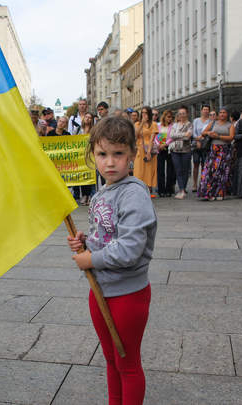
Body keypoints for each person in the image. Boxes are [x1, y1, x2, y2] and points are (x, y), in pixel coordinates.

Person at [68, 116, 156, 405]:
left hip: (127, 295)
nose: (110, 162)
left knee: (127, 364)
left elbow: (130, 249)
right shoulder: (101, 193)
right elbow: (104, 235)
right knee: (110, 360)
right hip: (99, 290)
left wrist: (91, 258)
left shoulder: (133, 193)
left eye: (118, 154)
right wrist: (85, 242)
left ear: (131, 153)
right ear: (93, 155)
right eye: (102, 154)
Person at [198, 107, 235, 201]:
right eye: (221, 112)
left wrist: (218, 136)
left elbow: (231, 137)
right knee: (209, 171)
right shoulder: (213, 123)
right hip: (213, 149)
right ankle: (208, 192)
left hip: (224, 150)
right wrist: (209, 133)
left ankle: (219, 193)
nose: (222, 114)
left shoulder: (230, 125)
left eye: (224, 112)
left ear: (227, 114)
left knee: (221, 172)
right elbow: (203, 133)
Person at [168, 106, 193, 199]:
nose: (182, 115)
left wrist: (178, 136)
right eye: (180, 113)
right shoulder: (175, 125)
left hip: (186, 150)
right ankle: (181, 190)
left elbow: (188, 137)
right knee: (178, 170)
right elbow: (171, 135)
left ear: (186, 114)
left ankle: (183, 188)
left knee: (185, 171)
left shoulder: (189, 124)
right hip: (175, 150)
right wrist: (183, 135)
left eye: (183, 113)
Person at [133, 107, 158, 197]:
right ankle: (138, 189)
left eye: (146, 113)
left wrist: (149, 152)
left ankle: (149, 189)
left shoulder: (153, 124)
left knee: (149, 169)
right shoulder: (137, 123)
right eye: (142, 113)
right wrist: (142, 123)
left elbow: (152, 138)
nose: (144, 114)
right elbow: (135, 135)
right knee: (139, 170)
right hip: (139, 148)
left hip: (149, 149)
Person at [155, 110, 176, 197]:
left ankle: (169, 189)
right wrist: (158, 144)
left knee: (170, 170)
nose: (169, 119)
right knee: (160, 170)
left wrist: (165, 144)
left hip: (169, 148)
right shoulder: (159, 125)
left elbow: (172, 137)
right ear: (164, 117)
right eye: (168, 117)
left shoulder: (173, 126)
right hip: (160, 148)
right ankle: (161, 190)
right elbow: (155, 136)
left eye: (171, 117)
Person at [191, 105, 211, 192]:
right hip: (196, 145)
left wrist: (202, 138)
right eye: (204, 109)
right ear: (201, 111)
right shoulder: (196, 120)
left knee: (204, 165)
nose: (205, 111)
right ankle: (194, 184)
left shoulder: (210, 121)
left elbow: (209, 132)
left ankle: (202, 182)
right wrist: (198, 139)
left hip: (206, 145)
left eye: (207, 110)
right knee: (196, 164)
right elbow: (193, 132)